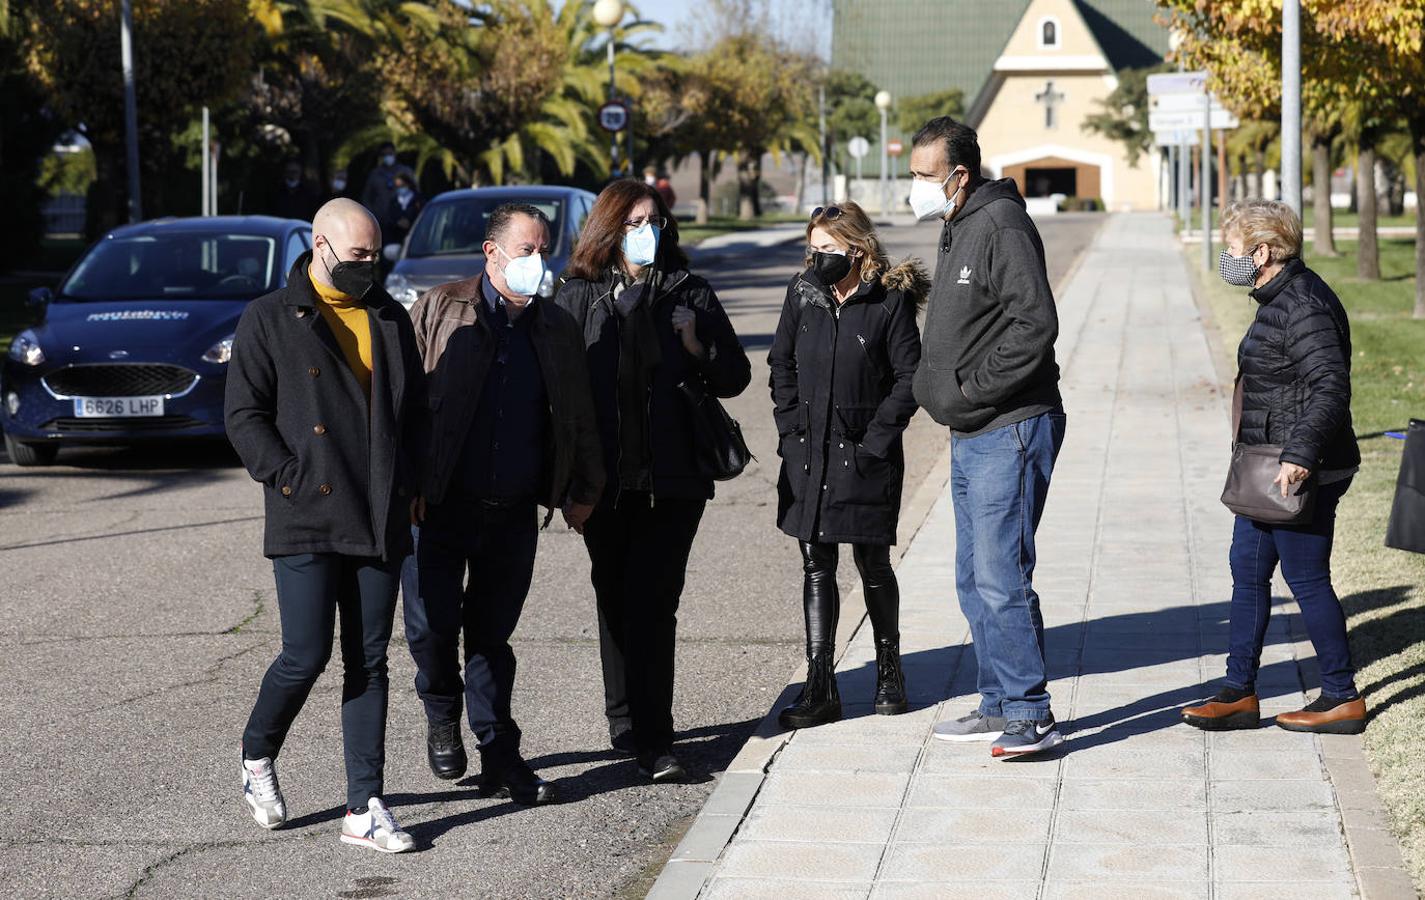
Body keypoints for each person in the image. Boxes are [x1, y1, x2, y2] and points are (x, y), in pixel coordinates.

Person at [226, 198, 425, 852]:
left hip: (378, 512)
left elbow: (414, 413)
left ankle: (363, 807)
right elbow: (243, 415)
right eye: (358, 256)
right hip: (308, 511)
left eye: (376, 255)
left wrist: (414, 487)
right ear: (320, 245)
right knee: (304, 654)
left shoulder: (388, 315)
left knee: (367, 661)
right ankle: (257, 755)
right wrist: (288, 475)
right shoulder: (269, 318)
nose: (369, 266)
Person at [402, 203, 605, 805]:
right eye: (526, 250)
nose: (538, 263)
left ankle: (499, 753)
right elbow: (400, 407)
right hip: (437, 506)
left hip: (512, 507)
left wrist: (581, 488)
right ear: (491, 253)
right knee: (429, 628)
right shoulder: (438, 309)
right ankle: (441, 708)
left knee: (491, 636)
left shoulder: (556, 327)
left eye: (545, 251)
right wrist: (408, 483)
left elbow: (578, 416)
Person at [554, 179, 751, 782]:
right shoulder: (578, 295)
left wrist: (696, 344)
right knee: (613, 597)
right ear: (609, 230)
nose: (649, 231)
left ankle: (656, 739)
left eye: (655, 220)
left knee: (654, 604)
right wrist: (569, 485)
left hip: (674, 480)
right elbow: (562, 396)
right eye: (636, 221)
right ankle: (625, 720)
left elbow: (736, 377)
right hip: (605, 481)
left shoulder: (688, 291)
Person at [907, 117, 1067, 759]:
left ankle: (1032, 712)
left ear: (959, 174)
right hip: (970, 431)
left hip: (1010, 425)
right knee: (973, 576)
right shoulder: (958, 225)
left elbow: (1036, 325)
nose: (915, 187)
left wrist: (973, 389)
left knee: (1003, 574)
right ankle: (998, 702)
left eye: (923, 175)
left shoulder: (1001, 225)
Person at [1183, 199, 1365, 734]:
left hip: (1301, 469)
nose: (1227, 258)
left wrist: (1300, 455)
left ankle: (1340, 696)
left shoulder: (1303, 304)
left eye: (1233, 249)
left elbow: (1330, 388)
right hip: (1267, 469)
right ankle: (1239, 691)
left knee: (1306, 578)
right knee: (1248, 571)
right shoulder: (1278, 298)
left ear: (1262, 252)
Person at [768, 202, 926, 729]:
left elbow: (910, 378)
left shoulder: (889, 301)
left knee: (872, 563)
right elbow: (781, 363)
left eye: (828, 251)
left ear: (857, 250)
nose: (817, 260)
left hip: (865, 457)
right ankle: (820, 684)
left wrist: (874, 443)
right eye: (812, 250)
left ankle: (889, 671)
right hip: (809, 454)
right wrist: (791, 433)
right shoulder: (803, 294)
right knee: (817, 563)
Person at [361, 142, 415, 233]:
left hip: (403, 221)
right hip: (382, 222)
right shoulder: (375, 175)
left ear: (395, 153)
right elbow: (366, 197)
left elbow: (415, 194)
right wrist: (373, 216)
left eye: (390, 153)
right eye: (384, 154)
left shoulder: (406, 172)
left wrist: (410, 216)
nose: (388, 156)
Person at [387, 173, 425, 246]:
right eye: (397, 186)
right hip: (397, 238)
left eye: (402, 185)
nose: (400, 189)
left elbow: (422, 216)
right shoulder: (394, 201)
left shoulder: (418, 199)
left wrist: (410, 222)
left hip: (415, 236)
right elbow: (389, 218)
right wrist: (397, 223)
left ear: (408, 184)